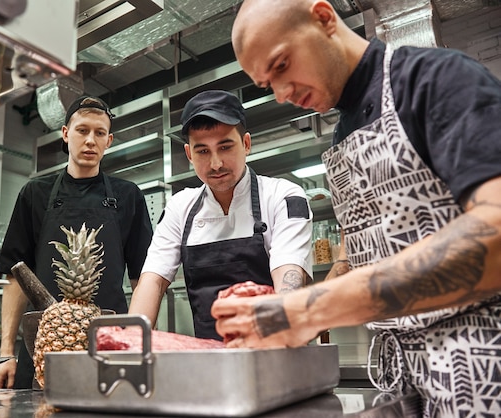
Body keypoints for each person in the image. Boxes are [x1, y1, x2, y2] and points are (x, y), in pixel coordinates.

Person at [212, 0, 501, 416]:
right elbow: (370, 252)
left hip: (481, 367)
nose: (280, 94)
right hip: (400, 379)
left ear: (325, 18)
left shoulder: (435, 79)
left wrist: (306, 309)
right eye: (266, 84)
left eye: (281, 65)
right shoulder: (340, 141)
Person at [0, 96, 153, 389]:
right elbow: (15, 276)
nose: (90, 140)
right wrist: (5, 354)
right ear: (66, 134)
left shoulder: (129, 196)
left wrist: (136, 343)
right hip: (44, 343)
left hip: (110, 344)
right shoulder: (34, 194)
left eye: (99, 133)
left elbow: (144, 279)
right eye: (82, 130)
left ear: (109, 140)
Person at [128, 90, 313, 340]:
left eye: (225, 147)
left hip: (273, 347)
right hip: (209, 361)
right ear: (189, 154)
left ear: (246, 144)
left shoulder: (283, 196)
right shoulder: (179, 207)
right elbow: (153, 280)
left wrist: (272, 341)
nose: (216, 164)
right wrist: (131, 342)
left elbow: (288, 276)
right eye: (203, 151)